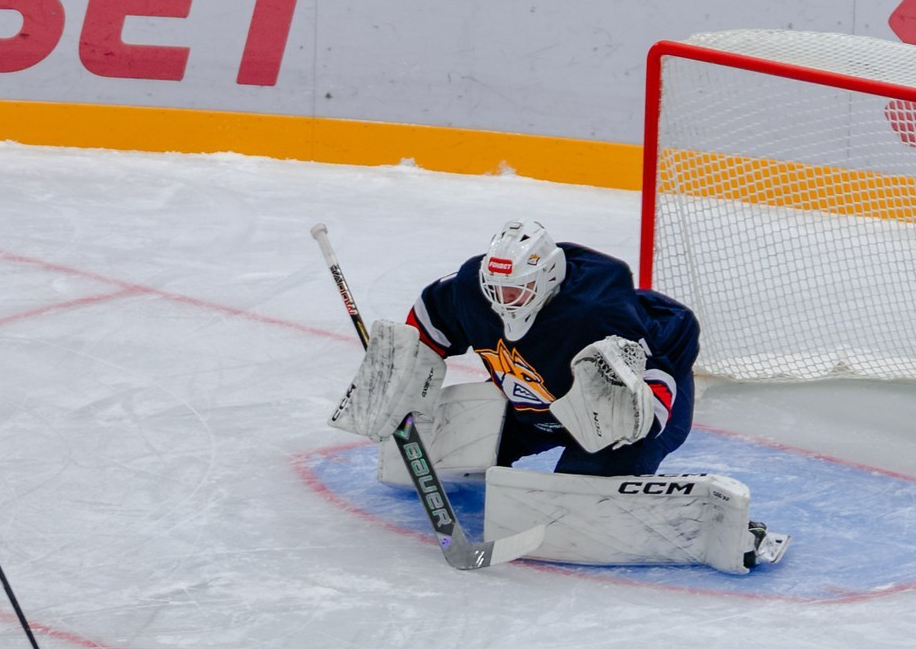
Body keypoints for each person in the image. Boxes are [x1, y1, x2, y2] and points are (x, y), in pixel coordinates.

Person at [330, 220, 786, 574]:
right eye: (496, 289)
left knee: (574, 504)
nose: (504, 300)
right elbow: (430, 320)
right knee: (417, 453)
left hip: (617, 417)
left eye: (516, 290)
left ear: (547, 278)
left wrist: (639, 419)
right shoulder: (473, 291)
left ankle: (710, 525)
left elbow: (667, 351)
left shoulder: (597, 311)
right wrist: (398, 374)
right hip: (534, 406)